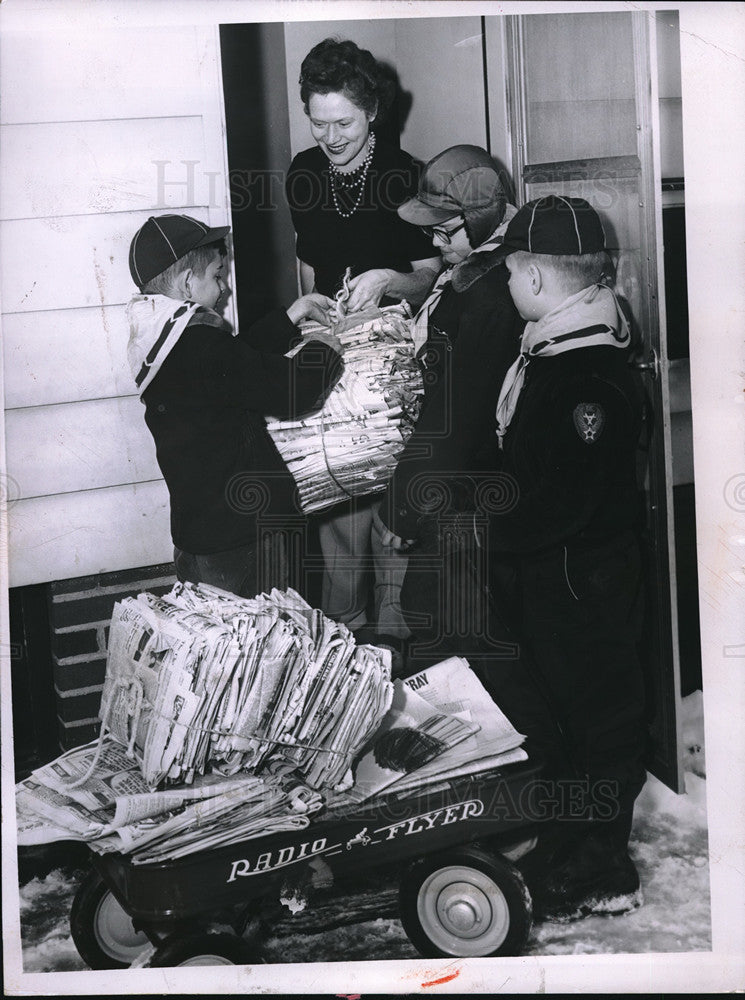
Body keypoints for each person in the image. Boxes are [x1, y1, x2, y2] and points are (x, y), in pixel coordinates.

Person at [485, 195, 648, 920]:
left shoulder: (586, 374)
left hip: (583, 580)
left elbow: (565, 500)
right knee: (558, 712)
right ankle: (568, 834)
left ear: (538, 281)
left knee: (598, 719)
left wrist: (488, 528)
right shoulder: (555, 348)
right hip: (552, 577)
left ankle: (601, 865)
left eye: (510, 274)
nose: (505, 287)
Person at [285, 37, 440, 653]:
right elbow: (309, 267)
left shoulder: (403, 173)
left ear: (372, 111)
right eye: (318, 123)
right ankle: (344, 645)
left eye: (343, 122)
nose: (330, 137)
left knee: (391, 503)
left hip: (396, 360)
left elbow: (432, 274)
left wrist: (385, 281)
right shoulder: (302, 172)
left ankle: (397, 641)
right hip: (333, 357)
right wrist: (313, 316)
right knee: (338, 500)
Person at [126, 213, 343, 599]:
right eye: (217, 275)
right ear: (187, 283)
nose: (224, 288)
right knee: (276, 634)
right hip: (248, 536)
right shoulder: (202, 345)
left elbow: (234, 364)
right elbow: (289, 392)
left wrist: (290, 316)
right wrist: (325, 351)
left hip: (202, 535)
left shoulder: (163, 340)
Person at [374, 145, 525, 672]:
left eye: (444, 231)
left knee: (452, 623)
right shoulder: (475, 272)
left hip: (469, 491)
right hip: (454, 483)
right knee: (436, 612)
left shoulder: (490, 293)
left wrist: (406, 499)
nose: (435, 243)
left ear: (482, 218)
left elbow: (456, 410)